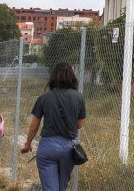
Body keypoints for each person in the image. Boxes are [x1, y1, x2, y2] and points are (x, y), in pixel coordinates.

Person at [20, 63, 86, 191]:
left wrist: (28, 144)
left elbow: (34, 126)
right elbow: (80, 124)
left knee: (50, 188)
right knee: (62, 187)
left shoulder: (44, 98)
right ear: (72, 77)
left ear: (53, 77)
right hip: (69, 147)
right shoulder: (78, 97)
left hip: (48, 146)